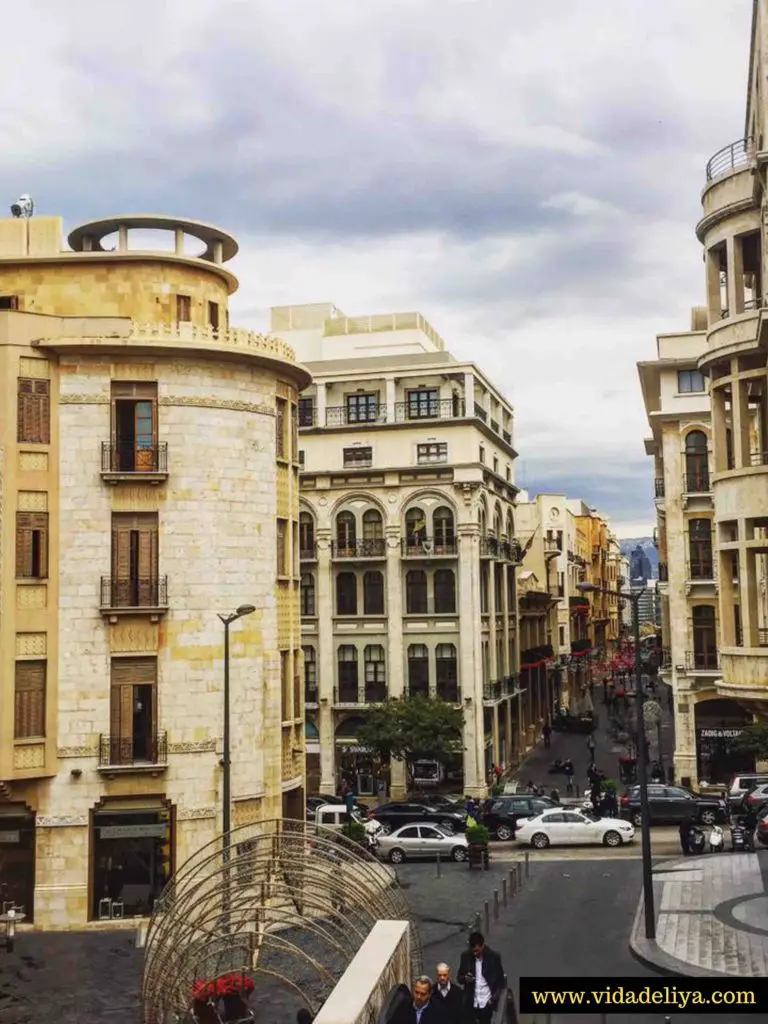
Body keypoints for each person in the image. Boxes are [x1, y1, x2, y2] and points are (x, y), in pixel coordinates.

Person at [458, 931, 504, 1023]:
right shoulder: (466, 957)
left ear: (483, 945)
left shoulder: (494, 957)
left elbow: (501, 982)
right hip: (471, 1001)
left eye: (477, 950)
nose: (475, 953)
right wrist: (466, 978)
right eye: (473, 951)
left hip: (487, 1002)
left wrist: (493, 999)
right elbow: (459, 978)